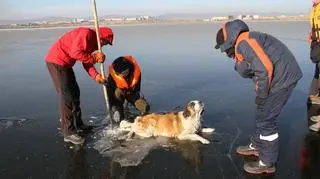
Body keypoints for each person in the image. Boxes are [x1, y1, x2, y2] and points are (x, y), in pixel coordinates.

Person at [214, 19, 302, 174]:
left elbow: (265, 68)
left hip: (281, 80)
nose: (226, 53)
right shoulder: (244, 41)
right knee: (262, 113)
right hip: (279, 77)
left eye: (225, 49)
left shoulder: (244, 42)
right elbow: (254, 67)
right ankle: (256, 145)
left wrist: (262, 94)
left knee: (266, 120)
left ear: (228, 42)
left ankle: (267, 162)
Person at [46, 27, 113, 145]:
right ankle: (69, 132)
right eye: (105, 43)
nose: (102, 46)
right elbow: (76, 53)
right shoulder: (86, 34)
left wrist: (96, 76)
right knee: (67, 97)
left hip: (66, 65)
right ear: (100, 37)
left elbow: (86, 62)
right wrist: (94, 58)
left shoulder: (92, 43)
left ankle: (79, 124)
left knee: (75, 93)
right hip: (56, 62)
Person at [106, 56, 150, 124]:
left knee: (144, 107)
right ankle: (120, 116)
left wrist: (137, 98)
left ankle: (142, 121)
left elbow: (137, 89)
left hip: (131, 92)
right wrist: (115, 110)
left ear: (126, 71)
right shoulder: (113, 75)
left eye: (119, 73)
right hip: (119, 94)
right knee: (117, 93)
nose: (117, 74)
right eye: (117, 73)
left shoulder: (136, 72)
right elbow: (110, 93)